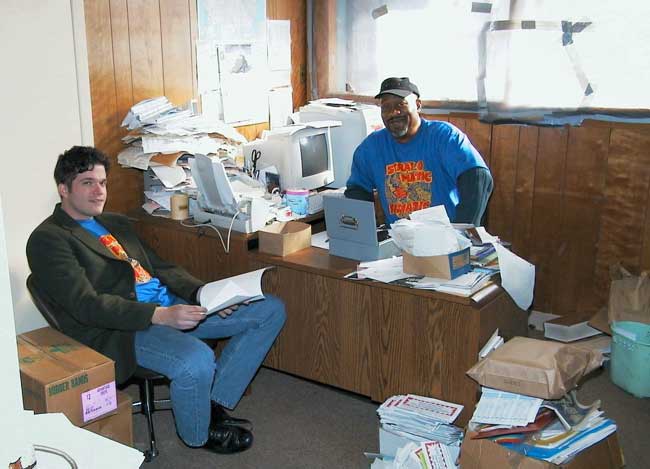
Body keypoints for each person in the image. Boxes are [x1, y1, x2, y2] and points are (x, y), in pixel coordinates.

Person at [26, 146, 286, 455]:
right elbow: (87, 305)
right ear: (63, 189)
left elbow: (160, 268)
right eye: (87, 183)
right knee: (197, 360)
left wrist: (207, 295)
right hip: (125, 327)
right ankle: (199, 435)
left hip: (170, 305)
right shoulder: (49, 239)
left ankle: (212, 403)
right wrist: (159, 315)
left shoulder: (115, 222)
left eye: (103, 182)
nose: (99, 192)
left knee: (269, 309)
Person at [345, 77, 493, 226]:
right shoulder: (371, 147)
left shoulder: (443, 136)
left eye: (400, 104)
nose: (393, 112)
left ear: (418, 105)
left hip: (445, 236)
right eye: (386, 107)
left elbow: (478, 177)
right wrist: (364, 231)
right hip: (400, 239)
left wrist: (461, 231)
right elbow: (357, 189)